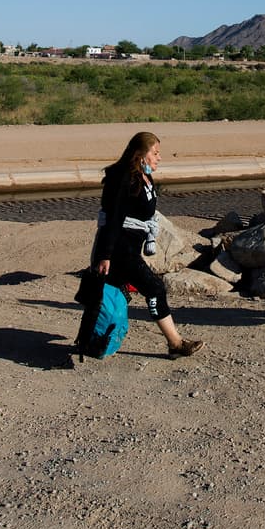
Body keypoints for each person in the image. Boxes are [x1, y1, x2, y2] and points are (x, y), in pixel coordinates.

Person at [83, 131, 203, 359]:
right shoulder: (123, 178)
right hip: (120, 250)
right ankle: (175, 343)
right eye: (155, 153)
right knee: (154, 288)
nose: (159, 158)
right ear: (140, 154)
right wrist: (104, 255)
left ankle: (92, 342)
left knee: (110, 295)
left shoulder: (143, 176)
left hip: (130, 246)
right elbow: (113, 218)